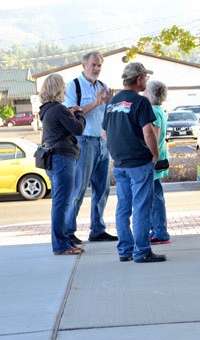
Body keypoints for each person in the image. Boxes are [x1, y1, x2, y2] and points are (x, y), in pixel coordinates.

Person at [102, 62, 166, 263]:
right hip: (139, 163)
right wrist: (154, 154)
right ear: (139, 79)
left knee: (123, 207)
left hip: (120, 164)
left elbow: (104, 133)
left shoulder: (112, 103)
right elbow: (148, 132)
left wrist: (116, 152)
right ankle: (142, 251)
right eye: (145, 77)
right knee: (141, 207)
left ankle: (125, 251)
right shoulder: (141, 102)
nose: (146, 81)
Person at [64, 50, 117, 245]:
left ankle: (98, 230)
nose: (96, 69)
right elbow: (71, 113)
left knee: (102, 189)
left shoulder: (103, 86)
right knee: (78, 189)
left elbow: (106, 114)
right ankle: (68, 232)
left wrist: (109, 103)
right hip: (83, 141)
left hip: (101, 142)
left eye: (99, 65)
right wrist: (96, 103)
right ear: (84, 66)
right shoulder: (74, 87)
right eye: (93, 65)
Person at [39, 74, 87, 255]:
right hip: (62, 160)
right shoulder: (59, 109)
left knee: (61, 203)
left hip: (54, 159)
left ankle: (64, 242)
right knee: (61, 204)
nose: (66, 90)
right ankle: (61, 245)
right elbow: (78, 129)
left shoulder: (46, 110)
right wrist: (79, 113)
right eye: (63, 87)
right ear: (59, 89)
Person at [144, 80, 171, 245]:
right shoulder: (159, 110)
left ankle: (159, 231)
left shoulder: (153, 112)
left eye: (146, 91)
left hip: (155, 160)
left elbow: (154, 135)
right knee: (156, 195)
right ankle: (158, 229)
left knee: (154, 198)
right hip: (160, 158)